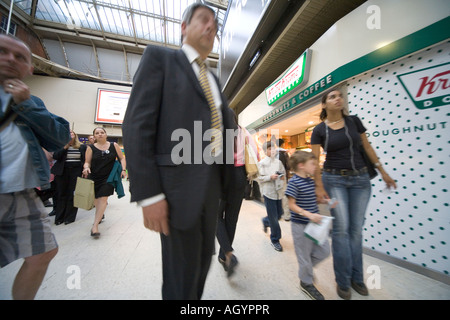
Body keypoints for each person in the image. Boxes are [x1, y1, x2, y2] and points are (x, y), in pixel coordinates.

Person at [122, 3, 236, 300]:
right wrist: (149, 193)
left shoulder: (214, 80)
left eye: (215, 24)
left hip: (211, 186)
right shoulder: (160, 59)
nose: (211, 26)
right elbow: (137, 125)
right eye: (203, 20)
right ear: (184, 27)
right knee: (180, 274)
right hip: (175, 189)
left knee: (202, 263)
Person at [0, 34, 70, 299]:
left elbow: (60, 137)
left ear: (30, 68)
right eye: (3, 51)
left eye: (20, 57)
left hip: (21, 190)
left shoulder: (32, 102)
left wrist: (26, 104)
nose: (10, 59)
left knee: (43, 252)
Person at [311, 88, 397, 300]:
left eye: (340, 95)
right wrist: (318, 186)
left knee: (356, 231)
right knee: (341, 231)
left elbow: (367, 147)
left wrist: (383, 171)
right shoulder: (319, 130)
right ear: (324, 104)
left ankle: (357, 278)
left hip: (360, 180)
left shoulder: (354, 122)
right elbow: (314, 162)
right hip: (334, 180)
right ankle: (342, 280)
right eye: (332, 96)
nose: (338, 98)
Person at [285, 151, 331, 300]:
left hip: (314, 225)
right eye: (313, 164)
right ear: (301, 166)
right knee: (304, 256)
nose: (316, 167)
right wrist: (308, 214)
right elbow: (291, 205)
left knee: (324, 250)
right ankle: (306, 282)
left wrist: (324, 202)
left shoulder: (311, 181)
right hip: (301, 226)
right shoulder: (293, 182)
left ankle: (306, 272)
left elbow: (312, 199)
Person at [216, 120, 258, 277]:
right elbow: (254, 150)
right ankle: (223, 256)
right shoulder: (243, 130)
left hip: (221, 176)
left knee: (216, 216)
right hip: (239, 176)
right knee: (231, 219)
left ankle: (228, 253)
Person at [82, 127, 126, 238]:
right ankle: (100, 215)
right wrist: (86, 168)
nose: (100, 134)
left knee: (103, 199)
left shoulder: (114, 146)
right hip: (95, 177)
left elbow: (122, 158)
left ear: (106, 134)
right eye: (97, 133)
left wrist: (123, 169)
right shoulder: (90, 148)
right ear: (94, 136)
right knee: (97, 201)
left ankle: (95, 226)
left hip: (109, 177)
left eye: (102, 132)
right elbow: (87, 162)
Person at [257, 141, 286, 252]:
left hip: (278, 192)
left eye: (273, 148)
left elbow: (283, 173)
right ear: (265, 151)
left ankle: (265, 221)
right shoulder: (262, 163)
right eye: (269, 149)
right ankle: (275, 239)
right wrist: (270, 177)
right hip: (268, 193)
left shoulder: (278, 162)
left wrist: (282, 178)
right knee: (274, 218)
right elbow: (258, 177)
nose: (272, 150)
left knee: (279, 215)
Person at [51, 130, 84, 225]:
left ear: (75, 135)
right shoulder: (60, 145)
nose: (70, 135)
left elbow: (84, 159)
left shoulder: (81, 146)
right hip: (62, 172)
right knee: (61, 194)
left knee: (72, 194)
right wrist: (65, 147)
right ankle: (59, 217)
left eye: (72, 133)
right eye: (68, 133)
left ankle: (69, 217)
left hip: (76, 171)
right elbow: (56, 156)